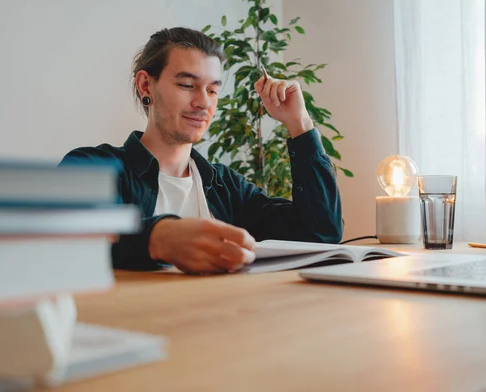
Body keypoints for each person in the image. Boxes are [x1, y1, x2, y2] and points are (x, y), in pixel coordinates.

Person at [60, 27, 342, 274]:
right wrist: (158, 238)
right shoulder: (93, 167)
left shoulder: (226, 187)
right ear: (146, 84)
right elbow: (66, 236)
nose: (203, 103)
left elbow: (320, 234)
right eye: (187, 85)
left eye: (212, 90)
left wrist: (300, 124)